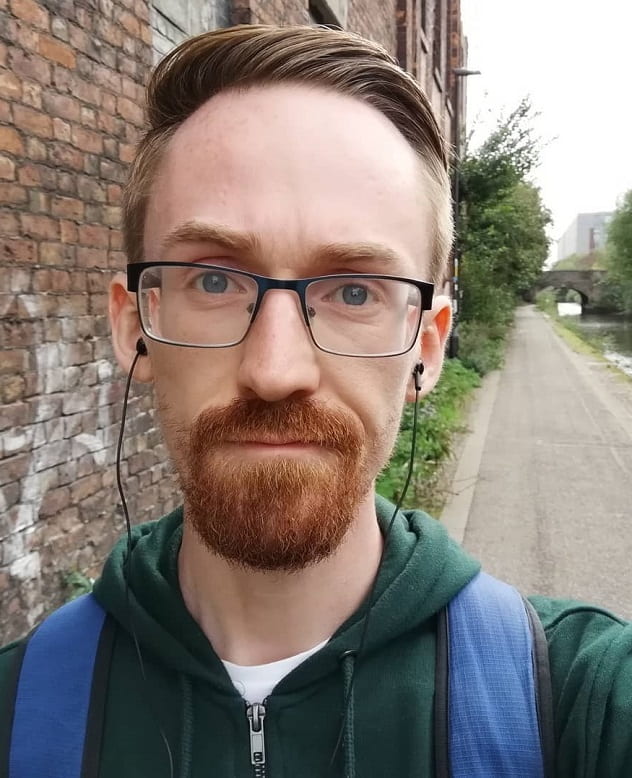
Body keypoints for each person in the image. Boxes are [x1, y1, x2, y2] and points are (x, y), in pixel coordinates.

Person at [2, 24, 632, 778]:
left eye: (355, 291)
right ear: (135, 323)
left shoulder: (578, 702)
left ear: (425, 349)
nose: (276, 370)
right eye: (214, 280)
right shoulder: (19, 711)